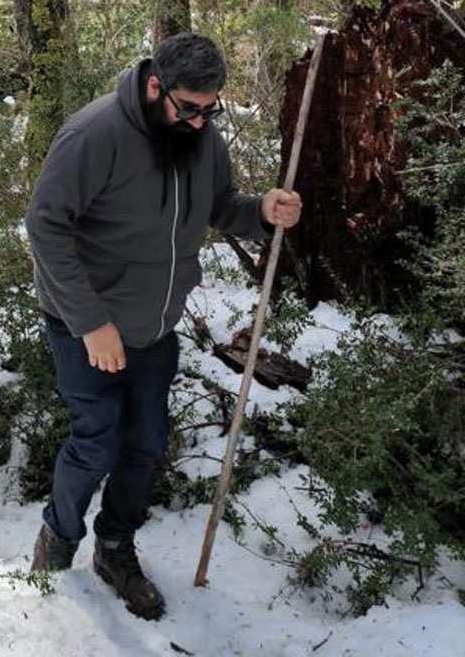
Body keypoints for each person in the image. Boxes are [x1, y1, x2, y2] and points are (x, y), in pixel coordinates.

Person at [25, 33, 302, 620]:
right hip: (86, 326)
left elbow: (221, 207)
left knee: (146, 445)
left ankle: (115, 546)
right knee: (96, 437)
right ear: (156, 87)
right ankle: (57, 543)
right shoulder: (95, 134)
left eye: (211, 109)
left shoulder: (202, 141)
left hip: (154, 328)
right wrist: (91, 322)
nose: (202, 122)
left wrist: (261, 211)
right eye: (190, 108)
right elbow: (45, 225)